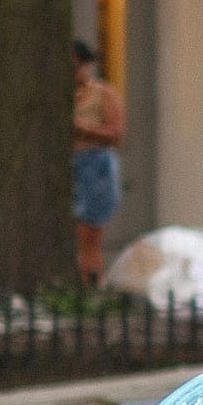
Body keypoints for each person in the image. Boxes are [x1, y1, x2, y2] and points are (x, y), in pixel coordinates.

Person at [72, 40, 125, 285]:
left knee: (89, 234)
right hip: (69, 166)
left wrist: (83, 129)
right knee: (74, 234)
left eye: (76, 66)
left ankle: (91, 282)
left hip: (95, 165)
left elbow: (116, 134)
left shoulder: (102, 93)